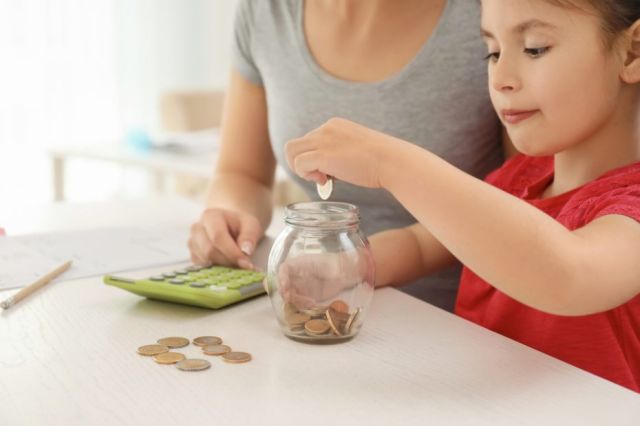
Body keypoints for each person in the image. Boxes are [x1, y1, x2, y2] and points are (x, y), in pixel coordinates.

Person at [285, 0, 640, 392]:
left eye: (535, 48)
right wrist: (340, 267)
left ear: (632, 51)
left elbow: (569, 276)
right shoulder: (518, 178)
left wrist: (390, 162)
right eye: (493, 52)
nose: (501, 76)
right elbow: (422, 244)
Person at [188, 0, 512, 312]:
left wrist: (356, 264)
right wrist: (229, 216)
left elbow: (522, 197)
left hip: (464, 323)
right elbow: (243, 174)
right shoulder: (265, 11)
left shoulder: (490, 14)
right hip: (318, 302)